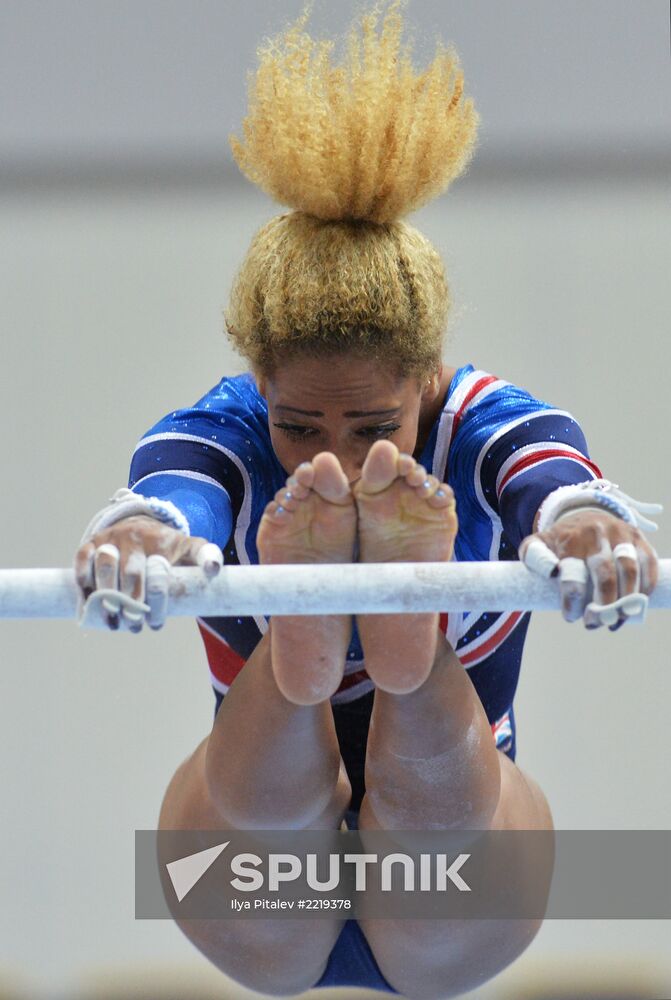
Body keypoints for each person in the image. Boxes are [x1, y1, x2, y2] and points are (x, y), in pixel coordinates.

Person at [73, 4, 659, 997]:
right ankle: (334, 642)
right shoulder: (215, 431)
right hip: (329, 879)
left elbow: (550, 475)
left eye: (372, 427)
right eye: (298, 427)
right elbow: (170, 495)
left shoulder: (484, 420)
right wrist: (140, 535)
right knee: (307, 814)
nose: (336, 464)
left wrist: (583, 523)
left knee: (428, 809)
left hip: (422, 877)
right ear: (257, 378)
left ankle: (391, 638)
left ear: (428, 375)